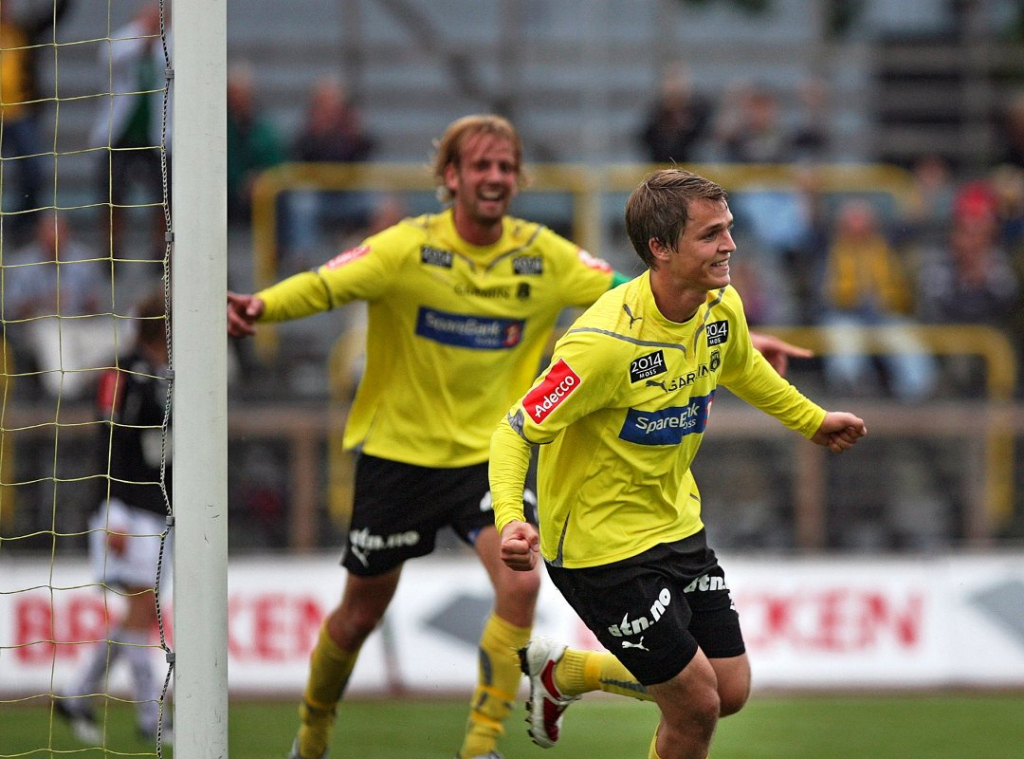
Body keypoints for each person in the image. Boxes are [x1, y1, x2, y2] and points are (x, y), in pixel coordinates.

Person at [226, 115, 809, 759]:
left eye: (506, 166)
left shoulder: (543, 256)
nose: (496, 176)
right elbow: (325, 284)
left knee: (523, 584)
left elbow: (644, 293)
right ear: (450, 177)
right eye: (481, 165)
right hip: (399, 455)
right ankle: (312, 734)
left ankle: (481, 745)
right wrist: (262, 306)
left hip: (488, 454)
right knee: (359, 614)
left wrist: (731, 334)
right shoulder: (406, 248)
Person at [489, 168, 866, 759]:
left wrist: (812, 421)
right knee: (696, 706)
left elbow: (742, 367)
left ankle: (566, 674)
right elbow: (515, 430)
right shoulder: (603, 344)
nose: (730, 245)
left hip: (675, 522)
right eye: (711, 235)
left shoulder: (720, 304)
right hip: (600, 549)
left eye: (729, 229)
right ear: (660, 249)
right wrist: (511, 517)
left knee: (729, 689)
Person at [56, 288, 172, 746]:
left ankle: (76, 694)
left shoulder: (168, 374)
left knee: (140, 615)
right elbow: (108, 440)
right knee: (142, 612)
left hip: (158, 509)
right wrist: (114, 511)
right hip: (126, 509)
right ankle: (152, 720)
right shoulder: (121, 372)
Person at [91, 2, 169, 259]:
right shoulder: (123, 40)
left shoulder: (172, 43)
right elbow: (109, 57)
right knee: (113, 193)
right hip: (120, 133)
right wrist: (144, 40)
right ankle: (112, 248)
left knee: (163, 195)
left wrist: (158, 40)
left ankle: (160, 249)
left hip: (157, 134)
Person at [283, 75, 378, 264]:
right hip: (318, 193)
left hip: (350, 192)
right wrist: (319, 135)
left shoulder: (351, 130)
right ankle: (303, 260)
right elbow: (298, 154)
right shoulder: (308, 130)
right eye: (325, 102)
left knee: (384, 205)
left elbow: (367, 150)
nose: (330, 108)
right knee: (301, 203)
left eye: (334, 102)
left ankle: (373, 258)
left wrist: (355, 135)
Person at [0, 0, 73, 239]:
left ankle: (24, 224)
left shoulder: (23, 29)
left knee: (32, 172)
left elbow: (52, 17)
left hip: (22, 113)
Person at [227, 63, 286, 224]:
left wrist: (261, 179)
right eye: (235, 94)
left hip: (261, 195)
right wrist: (239, 182)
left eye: (243, 94)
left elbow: (277, 165)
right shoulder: (222, 130)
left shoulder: (263, 128)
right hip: (229, 195)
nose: (239, 100)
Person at [636, 62, 713, 164]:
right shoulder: (654, 114)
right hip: (663, 168)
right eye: (670, 79)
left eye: (678, 78)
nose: (675, 85)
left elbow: (704, 143)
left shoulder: (701, 111)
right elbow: (647, 142)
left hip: (696, 169)